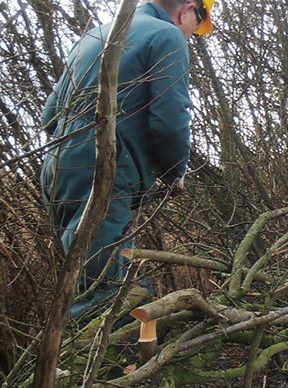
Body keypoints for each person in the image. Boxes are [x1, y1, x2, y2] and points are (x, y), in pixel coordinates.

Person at [40, 0, 214, 318]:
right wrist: (176, 171)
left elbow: (49, 116)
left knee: (90, 277)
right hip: (105, 168)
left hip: (57, 168)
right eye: (197, 26)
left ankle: (110, 360)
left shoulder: (92, 37)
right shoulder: (167, 36)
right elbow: (170, 119)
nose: (192, 35)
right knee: (100, 296)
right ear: (188, 9)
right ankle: (90, 364)